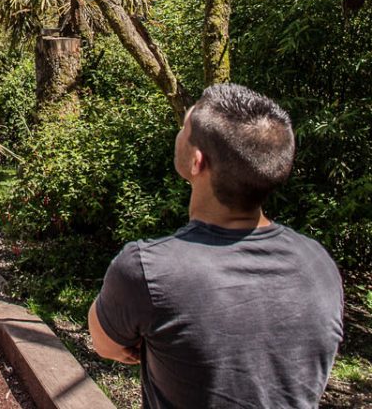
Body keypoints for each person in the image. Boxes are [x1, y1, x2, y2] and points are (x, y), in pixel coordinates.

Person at [89, 83, 343, 409]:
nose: (179, 132)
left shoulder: (148, 270)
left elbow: (105, 343)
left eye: (184, 128)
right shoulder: (318, 264)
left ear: (197, 162)